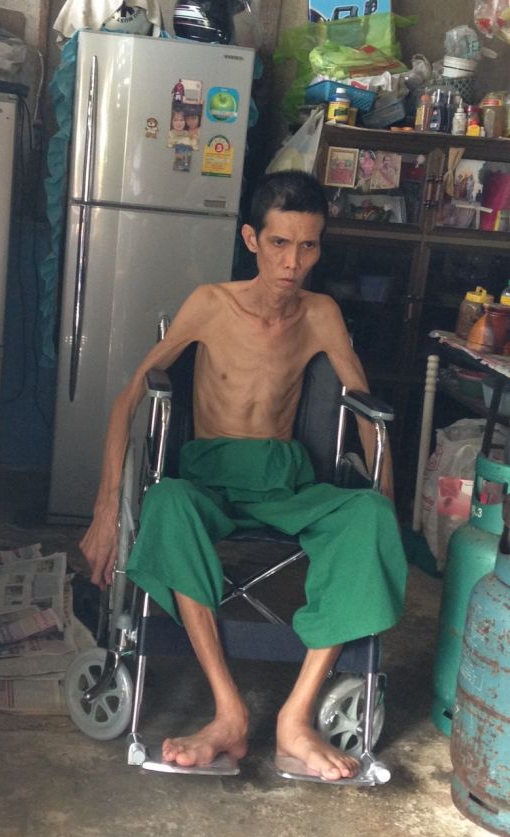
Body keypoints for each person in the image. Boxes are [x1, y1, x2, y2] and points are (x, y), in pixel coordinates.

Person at [79, 170, 408, 782]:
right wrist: (104, 512)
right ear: (252, 239)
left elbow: (366, 413)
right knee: (168, 502)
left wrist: (386, 502)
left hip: (284, 480)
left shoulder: (321, 313)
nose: (292, 263)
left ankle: (295, 720)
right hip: (212, 476)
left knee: (368, 517)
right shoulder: (211, 303)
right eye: (279, 243)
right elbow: (130, 396)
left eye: (307, 246)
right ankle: (228, 713)